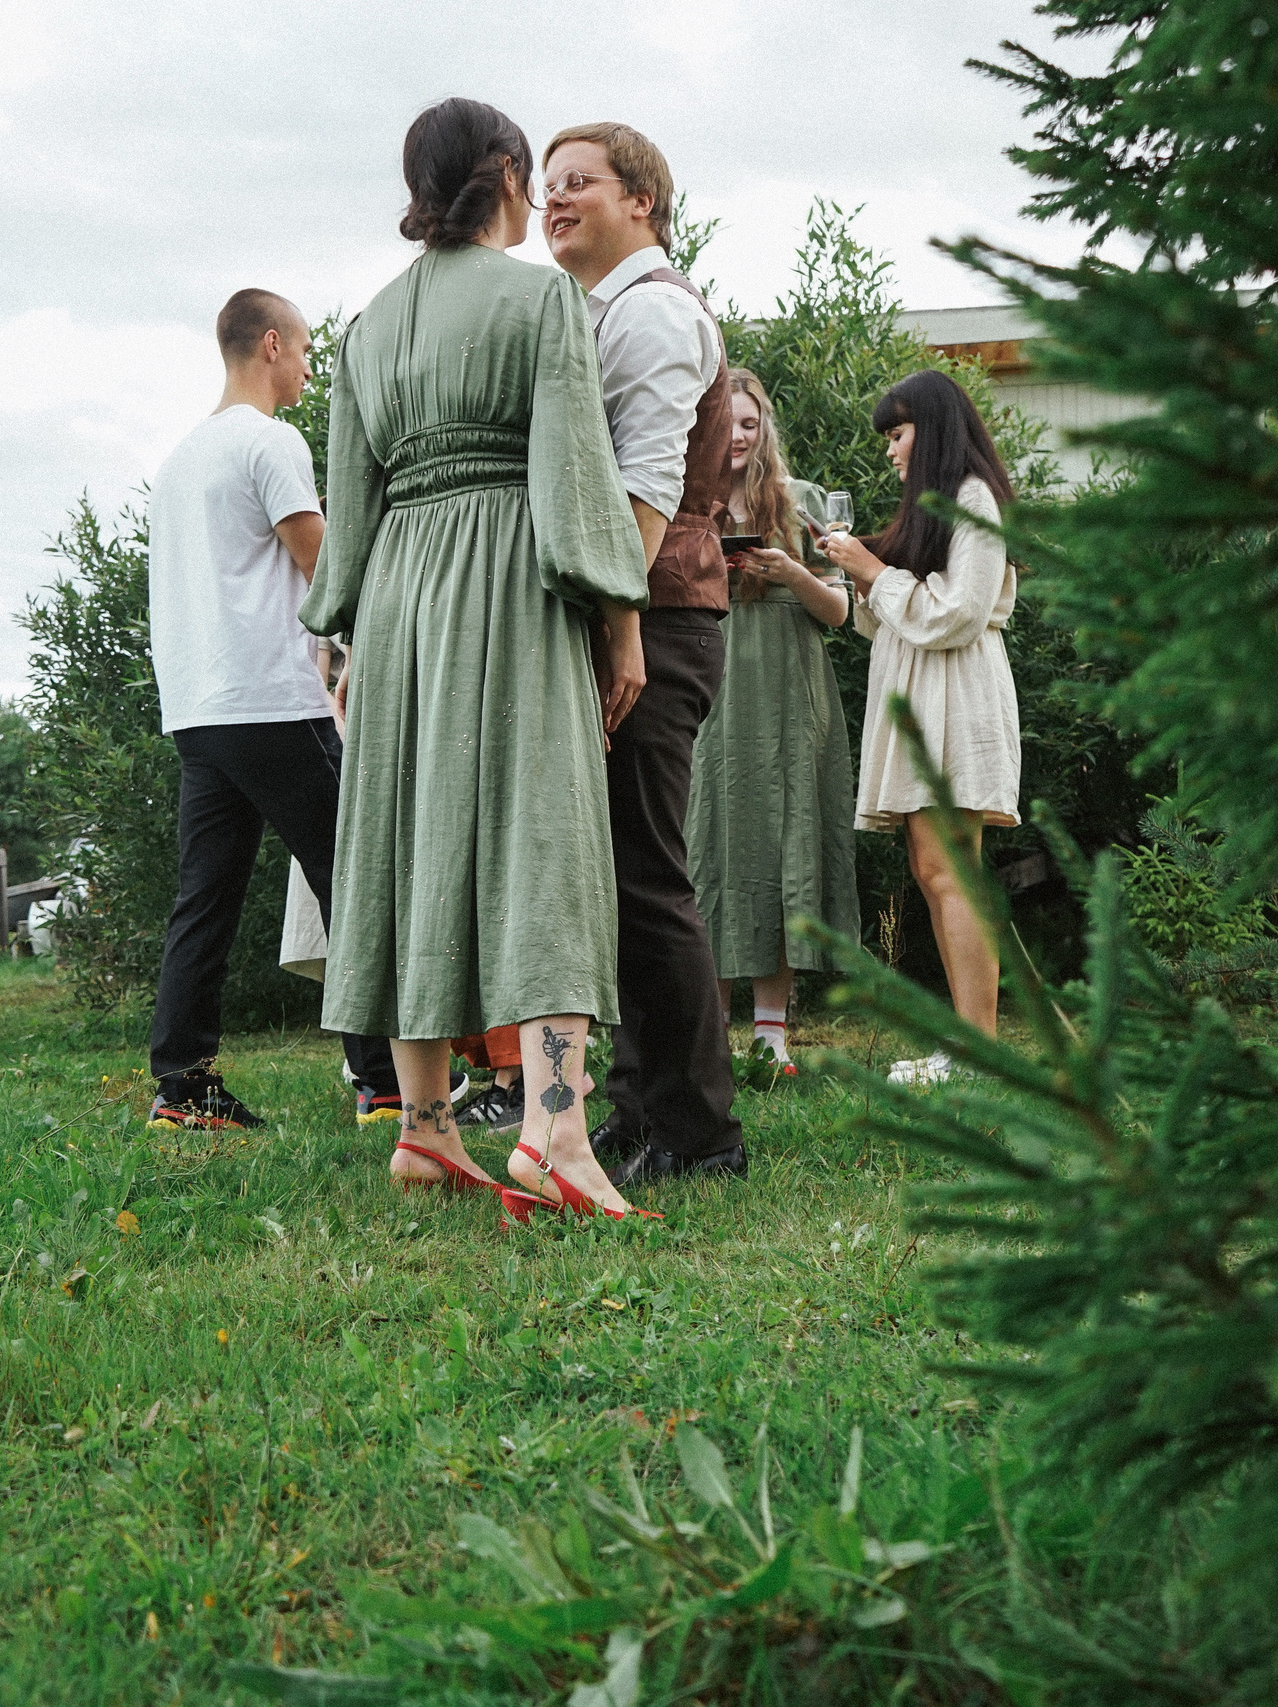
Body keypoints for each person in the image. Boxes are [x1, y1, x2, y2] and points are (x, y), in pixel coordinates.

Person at [300, 97, 656, 1219]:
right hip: (512, 582)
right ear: (506, 173)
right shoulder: (542, 299)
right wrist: (622, 620)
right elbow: (573, 479)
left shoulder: (364, 330)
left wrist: (345, 638)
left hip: (399, 598)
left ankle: (423, 1129)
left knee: (408, 844)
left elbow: (347, 516)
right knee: (544, 841)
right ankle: (555, 1132)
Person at [139, 289, 422, 1131]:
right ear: (270, 344)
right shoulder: (270, 442)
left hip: (198, 710)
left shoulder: (179, 462)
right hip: (271, 701)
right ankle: (385, 1084)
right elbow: (321, 568)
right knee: (358, 881)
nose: (306, 367)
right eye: (302, 351)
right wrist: (380, 631)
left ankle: (182, 1089)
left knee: (204, 900)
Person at [541, 120, 746, 1185]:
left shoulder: (655, 312)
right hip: (636, 613)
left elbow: (647, 487)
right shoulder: (598, 312)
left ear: (642, 202)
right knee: (615, 877)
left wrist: (616, 620)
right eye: (547, 185)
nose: (554, 199)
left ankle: (702, 1135)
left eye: (578, 181)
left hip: (656, 618)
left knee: (648, 875)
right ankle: (639, 1104)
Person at [817, 369, 1023, 1085]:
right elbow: (897, 618)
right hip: (927, 694)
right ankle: (970, 1047)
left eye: (897, 434)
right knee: (935, 871)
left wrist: (874, 570)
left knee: (950, 870)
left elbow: (959, 612)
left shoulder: (974, 499)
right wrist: (858, 573)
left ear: (930, 430)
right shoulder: (936, 506)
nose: (890, 450)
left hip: (957, 696)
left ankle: (979, 1053)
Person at [687, 368, 859, 1070]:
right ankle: (706, 1037)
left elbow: (840, 611)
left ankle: (770, 1035)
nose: (737, 435)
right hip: (711, 687)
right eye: (725, 422)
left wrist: (790, 572)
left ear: (765, 430)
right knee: (710, 845)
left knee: (785, 844)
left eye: (749, 423)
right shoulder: (683, 502)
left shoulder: (801, 501)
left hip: (790, 692)